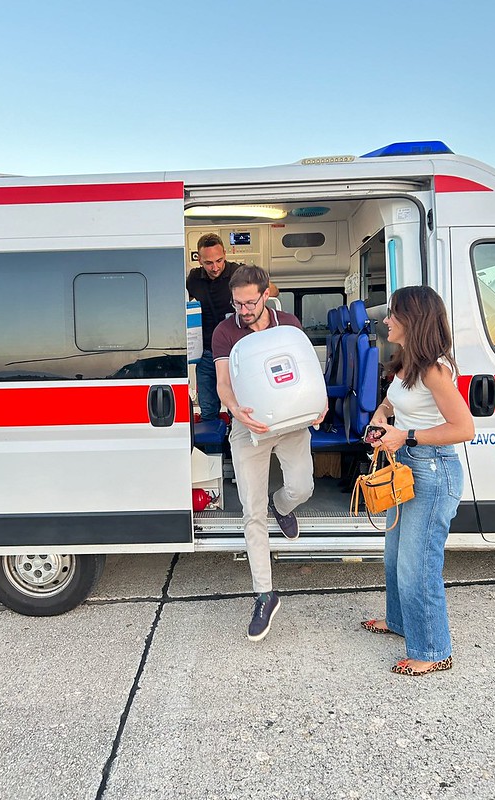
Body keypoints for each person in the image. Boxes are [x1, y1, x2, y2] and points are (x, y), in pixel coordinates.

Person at [361, 286, 474, 676]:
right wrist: (381, 415)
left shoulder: (434, 370)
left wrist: (406, 436)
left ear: (414, 321)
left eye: (394, 314)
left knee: (418, 564)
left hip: (433, 471)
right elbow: (394, 401)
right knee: (395, 555)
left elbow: (464, 428)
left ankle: (433, 650)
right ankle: (399, 621)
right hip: (408, 465)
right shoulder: (407, 362)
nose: (386, 320)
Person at [212, 265, 327, 642]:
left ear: (266, 295)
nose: (243, 310)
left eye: (250, 302)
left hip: (291, 421)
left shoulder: (288, 324)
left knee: (302, 488)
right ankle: (264, 594)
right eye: (238, 303)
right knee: (252, 512)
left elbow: (305, 371)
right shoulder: (225, 331)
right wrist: (235, 409)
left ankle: (283, 505)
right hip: (249, 427)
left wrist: (319, 403)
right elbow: (224, 383)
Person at [186, 233, 278, 421]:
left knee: (241, 404)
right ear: (199, 260)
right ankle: (214, 439)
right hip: (207, 352)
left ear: (225, 255)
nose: (215, 267)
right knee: (207, 408)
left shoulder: (239, 273)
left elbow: (273, 291)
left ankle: (236, 437)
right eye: (208, 263)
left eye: (219, 260)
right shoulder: (193, 279)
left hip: (238, 350)